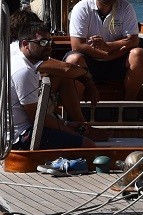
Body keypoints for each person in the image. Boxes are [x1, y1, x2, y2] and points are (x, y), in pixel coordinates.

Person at [10, 16, 111, 150]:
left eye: (49, 42)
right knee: (88, 146)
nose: (48, 47)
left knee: (63, 77)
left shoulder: (25, 60)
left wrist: (67, 124)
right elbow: (38, 119)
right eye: (42, 42)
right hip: (21, 136)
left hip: (24, 126)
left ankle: (82, 126)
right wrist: (72, 131)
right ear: (25, 44)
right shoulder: (24, 71)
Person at [65, 0, 143, 99]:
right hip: (90, 62)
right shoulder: (81, 8)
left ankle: (128, 104)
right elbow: (77, 46)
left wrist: (107, 47)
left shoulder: (126, 7)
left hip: (116, 61)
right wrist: (106, 55)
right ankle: (76, 111)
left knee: (139, 54)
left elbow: (133, 40)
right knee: (74, 60)